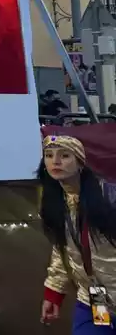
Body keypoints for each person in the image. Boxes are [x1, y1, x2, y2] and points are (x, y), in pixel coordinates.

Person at [39, 134, 116, 332]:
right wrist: (54, 293)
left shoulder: (109, 197)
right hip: (97, 298)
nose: (55, 161)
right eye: (49, 155)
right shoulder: (57, 203)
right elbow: (62, 250)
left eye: (64, 155)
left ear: (80, 163)